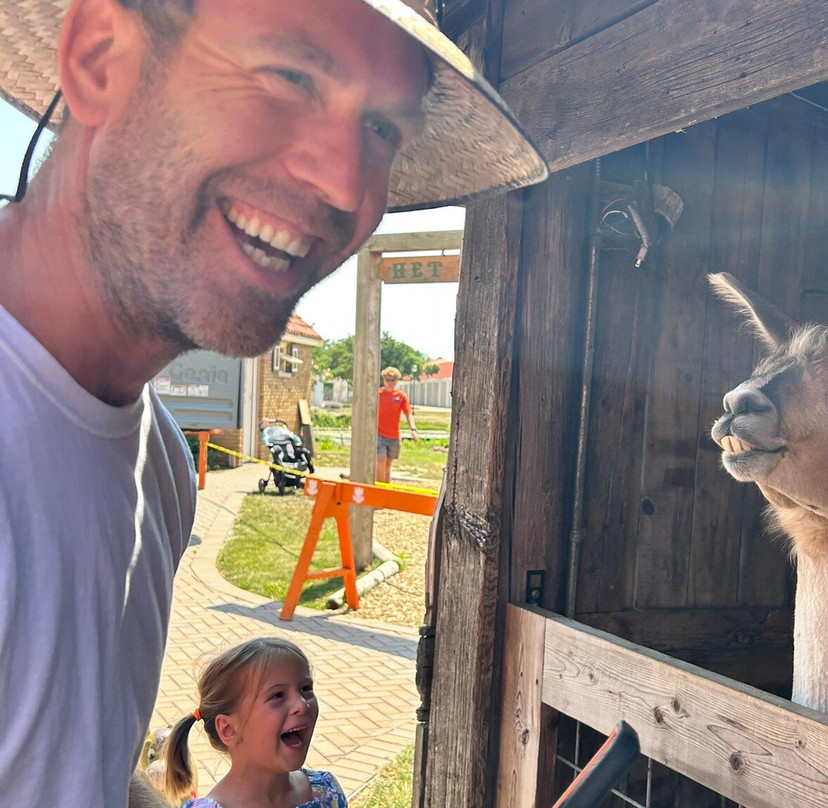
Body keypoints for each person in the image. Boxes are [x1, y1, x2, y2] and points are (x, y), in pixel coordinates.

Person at [0, 0, 546, 805]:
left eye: (383, 130)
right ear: (98, 61)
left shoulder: (161, 466)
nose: (346, 181)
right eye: (290, 75)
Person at [161, 637, 343, 807]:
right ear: (228, 729)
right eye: (278, 695)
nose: (302, 704)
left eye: (305, 688)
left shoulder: (325, 793)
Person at [377, 366, 419, 482]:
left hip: (394, 436)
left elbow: (408, 413)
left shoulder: (401, 396)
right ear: (383, 380)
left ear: (397, 381)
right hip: (379, 434)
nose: (390, 383)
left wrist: (413, 429)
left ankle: (387, 494)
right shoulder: (377, 393)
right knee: (380, 461)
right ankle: (378, 492)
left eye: (393, 380)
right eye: (387, 380)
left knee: (387, 467)